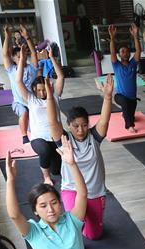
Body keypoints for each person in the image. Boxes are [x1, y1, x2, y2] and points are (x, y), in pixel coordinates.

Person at [46, 75, 114, 240]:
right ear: (69, 125)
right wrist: (50, 96)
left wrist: (107, 97)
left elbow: (104, 120)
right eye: (76, 126)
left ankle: (89, 226)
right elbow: (53, 121)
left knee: (94, 235)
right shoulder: (64, 140)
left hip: (95, 192)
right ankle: (76, 226)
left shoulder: (94, 137)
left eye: (84, 125)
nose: (81, 130)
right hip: (72, 190)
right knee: (73, 230)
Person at [15, 44, 65, 184]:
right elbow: (18, 81)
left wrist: (52, 58)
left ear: (49, 87)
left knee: (57, 170)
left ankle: (56, 168)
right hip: (39, 138)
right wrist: (22, 59)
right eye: (39, 90)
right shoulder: (30, 99)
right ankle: (46, 177)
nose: (42, 92)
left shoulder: (55, 95)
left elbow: (61, 76)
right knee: (44, 150)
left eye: (44, 89)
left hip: (55, 137)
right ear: (34, 89)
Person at [2, 24, 38, 144]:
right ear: (13, 58)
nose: (22, 57)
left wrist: (27, 37)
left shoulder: (32, 68)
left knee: (36, 126)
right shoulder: (12, 70)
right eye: (18, 56)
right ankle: (24, 137)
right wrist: (7, 36)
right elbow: (5, 54)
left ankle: (30, 130)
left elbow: (34, 53)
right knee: (24, 113)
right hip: (19, 103)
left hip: (33, 102)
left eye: (23, 55)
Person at [109, 23, 142, 134]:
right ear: (119, 55)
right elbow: (112, 52)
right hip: (119, 96)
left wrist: (135, 36)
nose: (125, 53)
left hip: (132, 98)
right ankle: (129, 126)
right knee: (125, 104)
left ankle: (126, 115)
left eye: (127, 51)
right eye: (122, 51)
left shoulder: (133, 64)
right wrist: (112, 38)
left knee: (130, 114)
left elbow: (138, 51)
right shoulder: (116, 65)